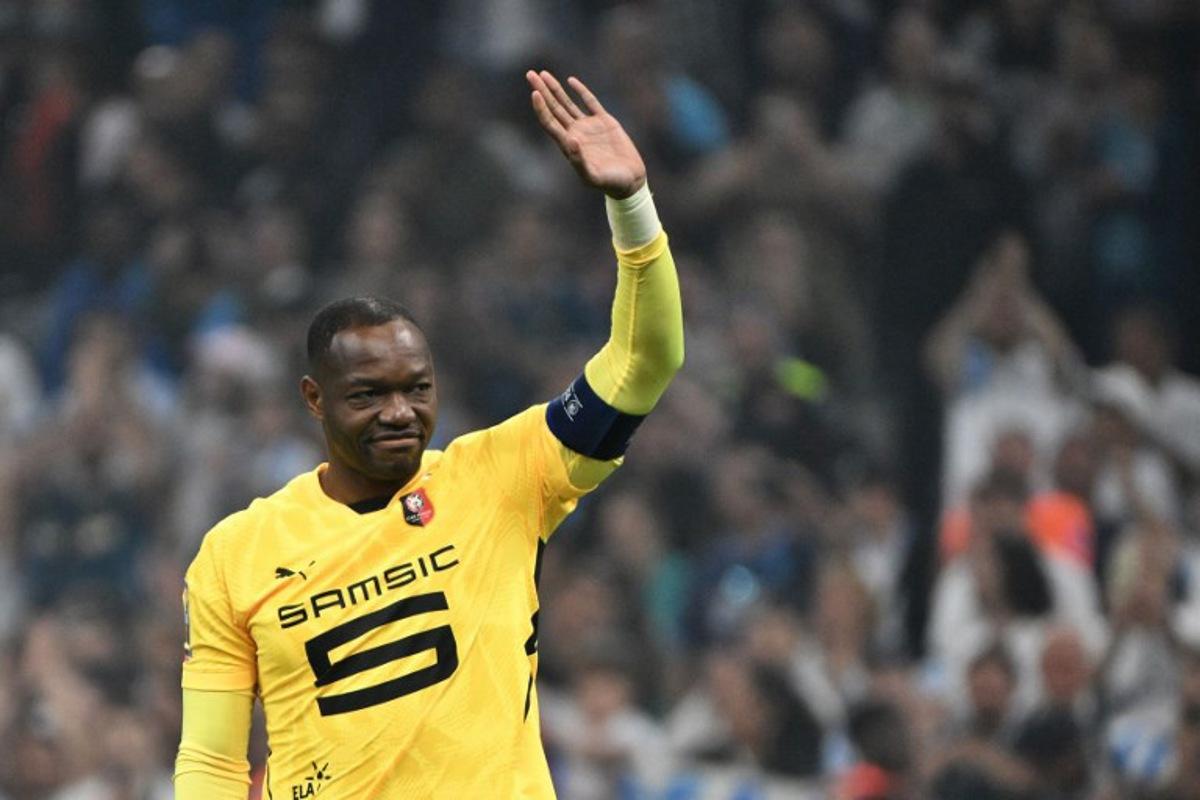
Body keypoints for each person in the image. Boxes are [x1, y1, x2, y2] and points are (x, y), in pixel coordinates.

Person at [172, 69, 684, 799]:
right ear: (313, 399)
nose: (399, 412)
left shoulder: (500, 477)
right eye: (369, 394)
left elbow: (644, 361)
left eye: (417, 389)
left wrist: (631, 204)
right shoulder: (234, 556)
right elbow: (213, 763)